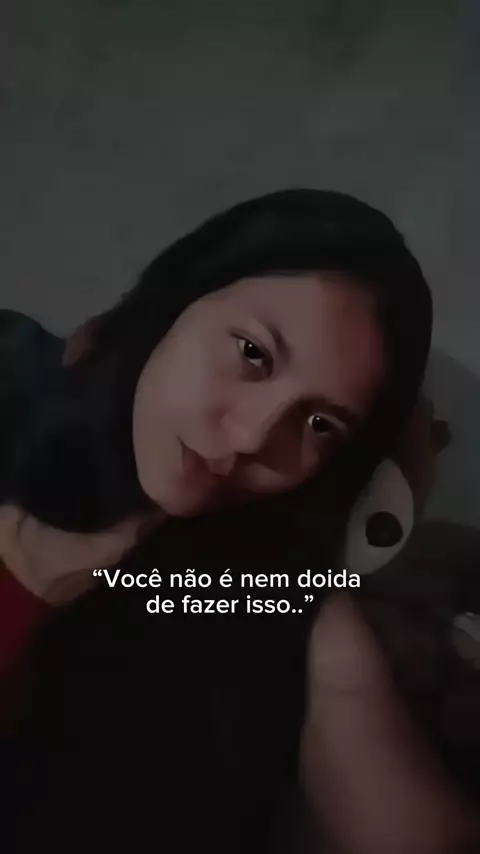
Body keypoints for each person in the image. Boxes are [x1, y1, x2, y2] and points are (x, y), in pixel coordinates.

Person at [0, 189, 433, 851]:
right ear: (177, 301)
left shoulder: (254, 595)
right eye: (253, 354)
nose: (254, 437)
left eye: (321, 424)